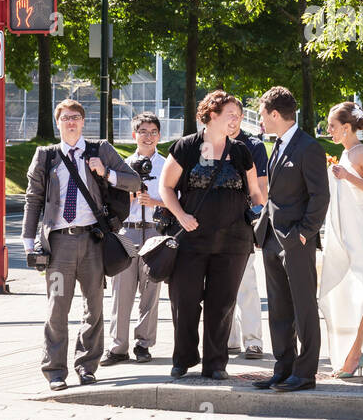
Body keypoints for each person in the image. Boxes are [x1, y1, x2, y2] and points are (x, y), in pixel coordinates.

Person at [21, 99, 140, 391]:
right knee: (57, 308)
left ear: (83, 122)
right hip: (58, 244)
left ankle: (87, 366)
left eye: (76, 117)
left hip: (92, 241)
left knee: (94, 307)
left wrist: (106, 173)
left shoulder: (101, 150)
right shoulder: (45, 156)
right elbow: (33, 199)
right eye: (65, 118)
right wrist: (27, 240)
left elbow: (134, 182)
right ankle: (55, 371)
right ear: (58, 122)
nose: (71, 122)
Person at [158, 91, 264, 380]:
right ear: (211, 115)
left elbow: (255, 193)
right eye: (231, 114)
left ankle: (216, 364)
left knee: (222, 303)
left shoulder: (241, 151)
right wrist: (181, 216)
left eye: (239, 116)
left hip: (234, 241)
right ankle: (184, 358)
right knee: (185, 300)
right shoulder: (187, 147)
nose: (236, 120)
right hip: (191, 238)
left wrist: (265, 213)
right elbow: (165, 188)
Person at [251, 86, 330, 393]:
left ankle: (305, 372)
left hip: (296, 240)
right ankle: (282, 369)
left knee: (303, 307)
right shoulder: (279, 144)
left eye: (261, 114)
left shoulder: (308, 147)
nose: (259, 121)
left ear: (274, 114)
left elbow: (319, 196)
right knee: (279, 308)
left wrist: (303, 233)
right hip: (271, 237)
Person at [319, 101, 363, 378]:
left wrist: (346, 176)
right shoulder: (344, 154)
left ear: (346, 128)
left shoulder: (360, 153)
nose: (329, 130)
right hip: (341, 230)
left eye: (333, 126)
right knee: (343, 288)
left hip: (358, 230)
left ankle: (355, 354)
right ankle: (351, 350)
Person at [102, 113, 167, 366]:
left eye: (153, 132)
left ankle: (144, 344)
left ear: (159, 136)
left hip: (154, 230)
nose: (148, 136)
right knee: (122, 291)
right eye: (143, 131)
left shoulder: (167, 165)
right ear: (134, 135)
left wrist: (155, 202)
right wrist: (128, 199)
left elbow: (177, 200)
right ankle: (118, 347)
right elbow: (110, 205)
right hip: (127, 232)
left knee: (150, 291)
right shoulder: (123, 165)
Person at [229, 124, 269, 359]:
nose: (231, 120)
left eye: (236, 114)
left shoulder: (253, 146)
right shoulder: (208, 145)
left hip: (243, 224)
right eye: (227, 114)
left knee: (247, 286)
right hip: (216, 227)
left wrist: (257, 225)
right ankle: (230, 339)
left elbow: (260, 189)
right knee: (221, 289)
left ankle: (253, 341)